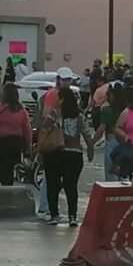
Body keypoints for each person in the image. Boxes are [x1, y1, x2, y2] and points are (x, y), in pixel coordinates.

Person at [40, 87, 93, 226]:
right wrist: (90, 151)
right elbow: (87, 135)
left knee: (53, 184)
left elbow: (44, 130)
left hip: (55, 154)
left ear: (62, 99)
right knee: (71, 186)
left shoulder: (54, 114)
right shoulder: (79, 116)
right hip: (74, 154)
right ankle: (72, 216)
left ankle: (54, 215)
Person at [0, 83, 31, 186]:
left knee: (2, 166)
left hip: (1, 142)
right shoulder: (21, 110)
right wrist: (28, 146)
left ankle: (2, 187)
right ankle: (8, 184)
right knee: (10, 166)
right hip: (16, 142)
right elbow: (27, 129)